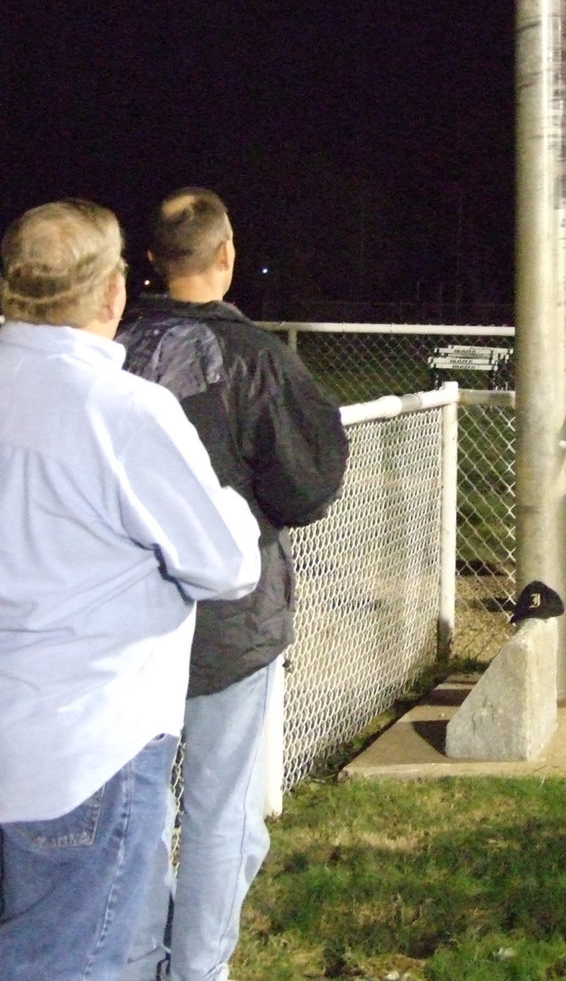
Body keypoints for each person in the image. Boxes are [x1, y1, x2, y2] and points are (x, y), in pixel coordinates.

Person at [0, 200, 261, 981]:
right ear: (112, 294)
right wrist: (234, 508)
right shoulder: (123, 411)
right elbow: (225, 564)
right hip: (85, 754)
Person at [118, 188, 349, 981]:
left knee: (146, 812)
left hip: (125, 626)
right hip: (228, 624)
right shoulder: (256, 360)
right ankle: (195, 970)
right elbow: (307, 487)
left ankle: (145, 955)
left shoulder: (109, 348)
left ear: (151, 261)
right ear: (225, 255)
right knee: (218, 815)